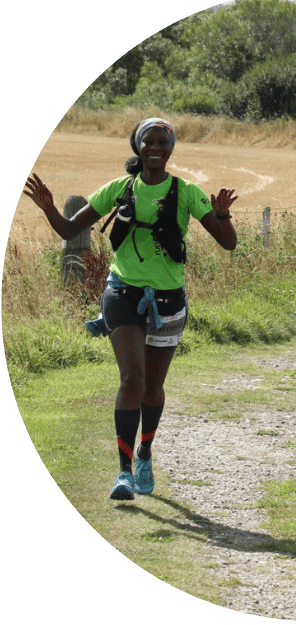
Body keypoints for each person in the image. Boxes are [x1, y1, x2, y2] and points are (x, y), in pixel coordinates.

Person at [23, 117, 238, 501]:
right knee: (132, 380)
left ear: (170, 149)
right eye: (148, 141)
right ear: (138, 147)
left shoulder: (187, 192)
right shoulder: (118, 189)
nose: (155, 148)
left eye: (162, 142)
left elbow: (228, 244)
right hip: (122, 294)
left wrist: (221, 215)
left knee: (153, 388)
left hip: (169, 299)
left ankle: (144, 453)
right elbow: (69, 230)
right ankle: (123, 474)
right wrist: (49, 207)